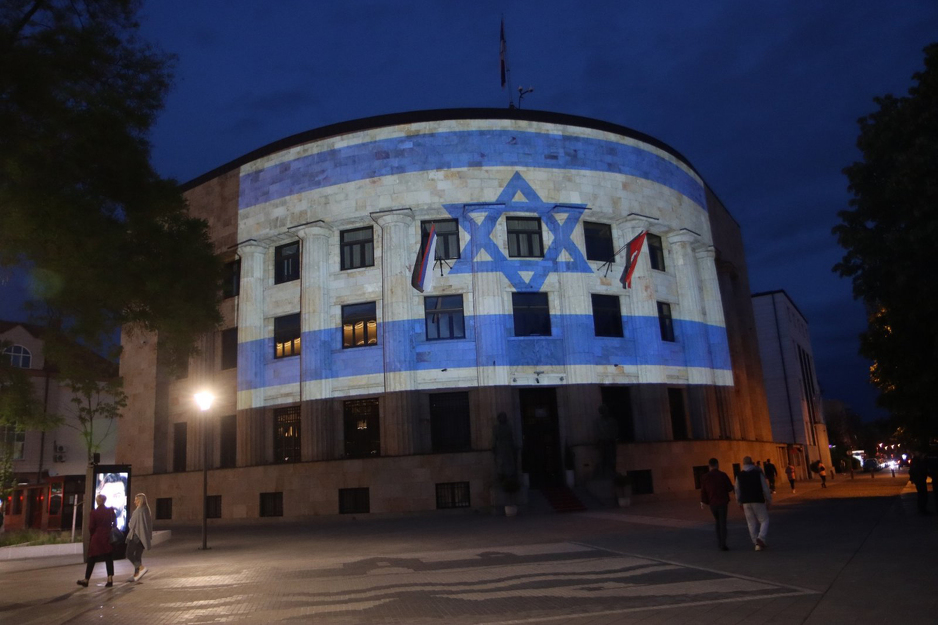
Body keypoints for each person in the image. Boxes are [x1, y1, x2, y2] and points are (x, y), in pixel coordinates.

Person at [77, 494, 116, 587]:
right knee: (108, 558)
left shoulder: (93, 513)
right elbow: (115, 522)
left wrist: (93, 535)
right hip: (107, 536)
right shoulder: (110, 511)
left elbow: (91, 527)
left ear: (98, 501)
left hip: (97, 537)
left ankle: (86, 579)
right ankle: (110, 579)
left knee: (92, 558)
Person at [735, 456, 772, 551]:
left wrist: (739, 502)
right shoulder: (757, 473)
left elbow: (737, 490)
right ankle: (761, 537)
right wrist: (768, 499)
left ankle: (756, 543)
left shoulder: (739, 475)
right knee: (764, 520)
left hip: (745, 501)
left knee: (751, 523)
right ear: (752, 463)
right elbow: (765, 488)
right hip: (757, 499)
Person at [699, 458, 734, 551]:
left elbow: (703, 491)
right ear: (717, 464)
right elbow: (730, 488)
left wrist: (703, 502)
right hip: (722, 502)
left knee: (717, 521)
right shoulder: (723, 475)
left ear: (709, 466)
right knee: (723, 522)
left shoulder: (705, 477)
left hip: (712, 503)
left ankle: (719, 542)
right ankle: (723, 543)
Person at [126, 493, 153, 581]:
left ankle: (140, 568)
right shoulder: (147, 510)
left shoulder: (138, 511)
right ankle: (136, 575)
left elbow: (131, 524)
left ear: (140, 501)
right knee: (138, 555)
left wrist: (129, 523)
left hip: (136, 536)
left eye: (136, 500)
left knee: (129, 553)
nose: (134, 502)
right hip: (143, 537)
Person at [492, 412, 518, 481]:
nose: (503, 418)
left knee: (509, 462)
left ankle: (509, 475)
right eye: (501, 417)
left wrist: (513, 446)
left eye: (504, 417)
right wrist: (494, 446)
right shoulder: (496, 428)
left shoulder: (508, 426)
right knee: (501, 462)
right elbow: (494, 438)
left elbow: (511, 437)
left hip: (508, 447)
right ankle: (502, 475)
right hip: (501, 447)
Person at [596, 405, 619, 477]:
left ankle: (612, 471)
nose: (605, 412)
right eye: (603, 411)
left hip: (611, 442)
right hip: (603, 442)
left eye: (605, 410)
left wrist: (613, 438)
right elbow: (597, 432)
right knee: (603, 458)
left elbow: (616, 431)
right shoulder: (599, 422)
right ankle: (603, 472)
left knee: (612, 457)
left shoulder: (612, 421)